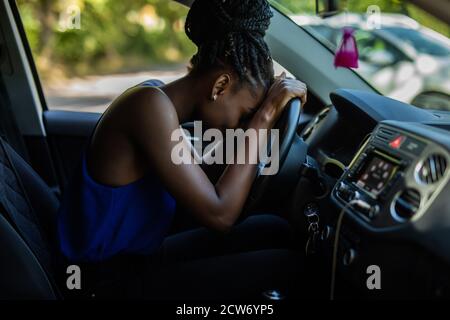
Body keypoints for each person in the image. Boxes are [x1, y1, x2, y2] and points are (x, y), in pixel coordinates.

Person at [57, 0, 308, 299]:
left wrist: (261, 120)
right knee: (285, 266)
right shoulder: (149, 107)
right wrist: (264, 117)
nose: (241, 127)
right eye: (244, 115)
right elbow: (220, 215)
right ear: (220, 87)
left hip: (132, 259)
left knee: (273, 229)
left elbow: (210, 179)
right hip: (100, 281)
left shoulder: (161, 104)